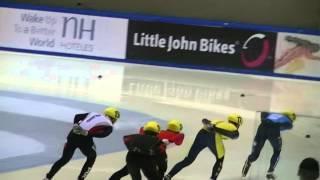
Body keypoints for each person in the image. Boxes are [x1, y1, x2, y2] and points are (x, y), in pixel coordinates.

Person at [43, 107, 120, 180]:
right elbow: (104, 134)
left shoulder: (93, 113)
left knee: (64, 159)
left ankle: (48, 177)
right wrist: (87, 133)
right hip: (85, 140)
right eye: (115, 120)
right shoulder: (109, 125)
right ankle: (81, 178)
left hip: (73, 135)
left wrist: (76, 126)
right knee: (92, 157)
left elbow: (77, 116)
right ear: (113, 119)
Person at [164, 114, 243, 180]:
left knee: (188, 160)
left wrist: (211, 126)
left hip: (202, 133)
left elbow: (205, 121)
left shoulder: (220, 121)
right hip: (213, 136)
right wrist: (215, 129)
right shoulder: (233, 127)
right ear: (238, 124)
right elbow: (235, 135)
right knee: (220, 159)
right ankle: (213, 178)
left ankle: (169, 175)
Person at [109, 119, 185, 180]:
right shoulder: (177, 136)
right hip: (155, 154)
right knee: (157, 173)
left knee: (126, 171)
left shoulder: (159, 132)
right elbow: (179, 140)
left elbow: (142, 130)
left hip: (138, 153)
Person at [241, 111, 296, 180]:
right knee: (277, 151)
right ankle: (270, 172)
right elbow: (287, 126)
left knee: (255, 154)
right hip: (274, 131)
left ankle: (246, 169)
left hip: (262, 127)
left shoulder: (277, 114)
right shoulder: (289, 123)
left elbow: (263, 115)